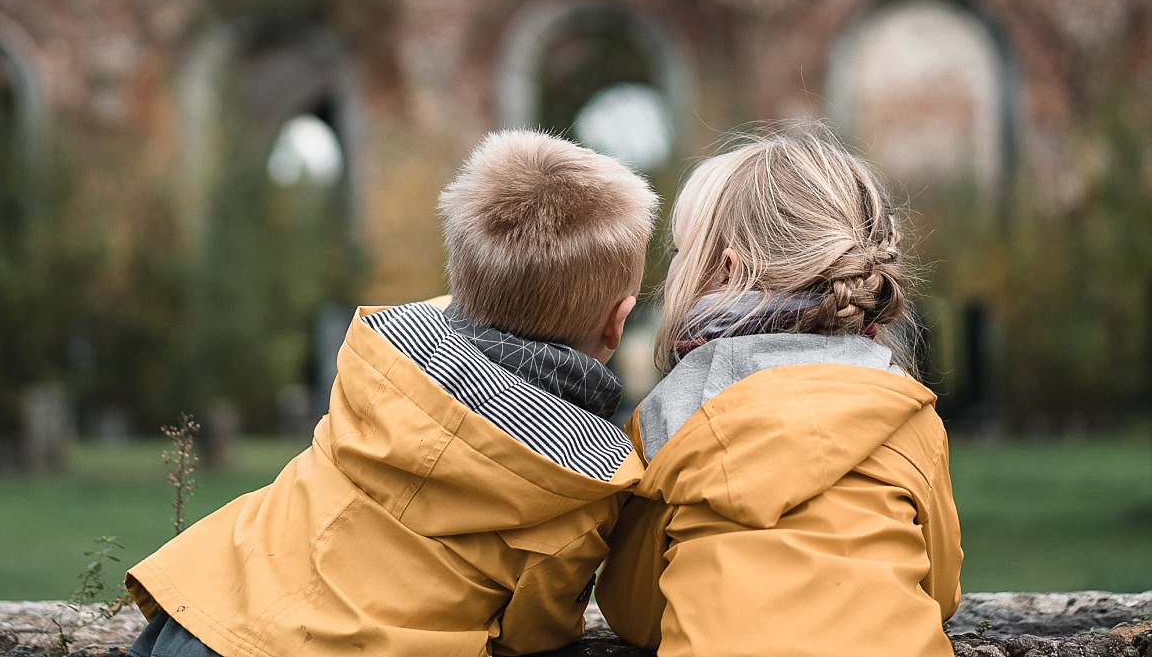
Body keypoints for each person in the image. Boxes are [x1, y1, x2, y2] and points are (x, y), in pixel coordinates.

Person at [124, 130, 659, 657]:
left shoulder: (378, 363)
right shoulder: (584, 482)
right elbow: (532, 632)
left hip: (207, 617)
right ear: (619, 323)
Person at [597, 127, 963, 657]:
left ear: (726, 269)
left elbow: (633, 607)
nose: (669, 267)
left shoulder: (671, 416)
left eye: (679, 250)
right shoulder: (907, 411)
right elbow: (942, 588)